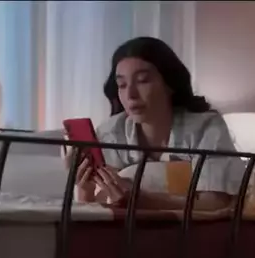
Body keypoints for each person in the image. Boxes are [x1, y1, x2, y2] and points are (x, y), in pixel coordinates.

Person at [62, 36, 244, 210]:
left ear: (170, 84)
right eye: (122, 85)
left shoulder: (206, 127)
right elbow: (96, 205)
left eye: (142, 81)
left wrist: (143, 201)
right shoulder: (110, 133)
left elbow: (215, 203)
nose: (131, 94)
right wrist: (84, 188)